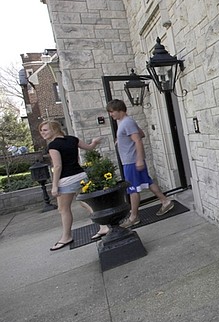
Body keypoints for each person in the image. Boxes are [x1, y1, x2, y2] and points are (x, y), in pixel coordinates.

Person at [39, 120, 109, 251]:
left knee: (63, 209)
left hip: (66, 180)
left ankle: (66, 237)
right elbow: (89, 147)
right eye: (41, 131)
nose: (42, 133)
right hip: (81, 176)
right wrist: (94, 142)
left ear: (54, 129)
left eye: (45, 130)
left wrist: (54, 186)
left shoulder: (53, 146)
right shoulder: (72, 139)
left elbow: (58, 166)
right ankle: (104, 226)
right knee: (85, 203)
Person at [105, 99, 173, 228]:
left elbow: (138, 141)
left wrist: (139, 159)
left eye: (112, 112)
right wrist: (120, 139)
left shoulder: (126, 123)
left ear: (120, 110)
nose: (111, 115)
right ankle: (165, 201)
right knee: (148, 182)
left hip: (132, 161)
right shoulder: (125, 122)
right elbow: (140, 134)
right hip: (132, 160)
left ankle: (134, 217)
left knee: (132, 189)